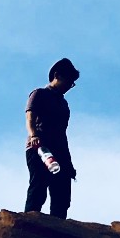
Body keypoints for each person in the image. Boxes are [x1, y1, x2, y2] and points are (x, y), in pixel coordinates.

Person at [24, 58, 80, 218]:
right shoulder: (39, 94)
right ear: (57, 75)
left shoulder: (63, 104)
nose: (70, 86)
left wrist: (68, 163)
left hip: (59, 150)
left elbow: (63, 134)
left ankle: (57, 228)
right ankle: (30, 222)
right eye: (69, 81)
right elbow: (30, 116)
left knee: (62, 192)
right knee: (39, 186)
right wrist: (33, 135)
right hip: (40, 147)